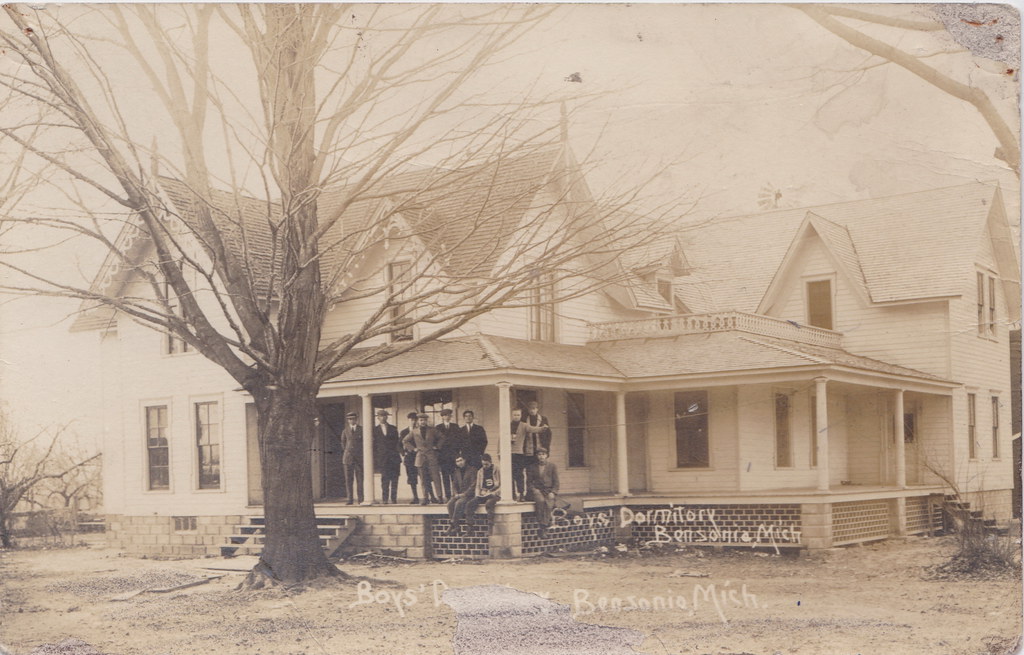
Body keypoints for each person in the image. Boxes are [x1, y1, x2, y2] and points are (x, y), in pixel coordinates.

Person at [402, 412, 443, 505]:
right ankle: (425, 498)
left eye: (424, 420)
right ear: (418, 421)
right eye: (421, 420)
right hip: (420, 457)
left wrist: (437, 446)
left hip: (431, 456)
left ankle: (439, 497)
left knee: (436, 477)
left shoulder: (432, 430)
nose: (423, 422)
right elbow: (405, 441)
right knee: (423, 479)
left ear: (426, 421)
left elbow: (442, 437)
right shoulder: (414, 431)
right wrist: (413, 449)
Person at [372, 409, 402, 504]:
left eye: (384, 416)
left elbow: (397, 442)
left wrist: (399, 453)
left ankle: (394, 499)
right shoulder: (374, 430)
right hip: (382, 458)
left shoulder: (393, 428)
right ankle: (385, 499)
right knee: (384, 479)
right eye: (381, 416)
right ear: (378, 418)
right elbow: (374, 445)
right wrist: (376, 458)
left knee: (394, 479)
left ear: (387, 417)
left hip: (394, 458)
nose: (383, 417)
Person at [526, 448, 559, 532]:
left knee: (549, 502)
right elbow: (529, 482)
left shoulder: (552, 466)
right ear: (537, 456)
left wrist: (553, 492)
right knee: (540, 501)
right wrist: (534, 490)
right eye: (539, 454)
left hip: (548, 490)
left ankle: (543, 525)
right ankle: (543, 525)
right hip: (537, 490)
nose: (541, 456)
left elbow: (556, 481)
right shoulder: (532, 467)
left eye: (543, 454)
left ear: (547, 455)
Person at [466, 453, 500, 531]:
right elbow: (478, 486)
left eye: (486, 464)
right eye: (483, 464)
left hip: (494, 493)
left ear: (490, 462)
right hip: (483, 494)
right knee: (470, 504)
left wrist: (494, 492)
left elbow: (502, 485)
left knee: (489, 503)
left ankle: (490, 526)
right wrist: (477, 495)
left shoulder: (496, 469)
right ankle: (469, 527)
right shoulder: (480, 472)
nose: (485, 466)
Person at [445, 455, 477, 535]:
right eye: (457, 461)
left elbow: (474, 485)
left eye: (461, 460)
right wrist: (456, 493)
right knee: (450, 503)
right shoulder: (457, 472)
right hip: (459, 495)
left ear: (465, 460)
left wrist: (465, 494)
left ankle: (452, 524)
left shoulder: (472, 470)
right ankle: (456, 527)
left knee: (458, 503)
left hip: (469, 495)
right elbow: (454, 484)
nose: (459, 463)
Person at [435, 408, 461, 501]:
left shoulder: (455, 426)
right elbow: (436, 442)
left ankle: (456, 494)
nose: (447, 417)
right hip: (443, 457)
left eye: (448, 415)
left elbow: (459, 440)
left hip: (454, 456)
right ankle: (448, 495)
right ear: (442, 417)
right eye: (445, 415)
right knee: (445, 476)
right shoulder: (438, 428)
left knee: (455, 477)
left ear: (451, 416)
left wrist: (458, 453)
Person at [339, 411, 364, 505]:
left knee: (360, 479)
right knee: (348, 479)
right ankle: (350, 499)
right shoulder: (345, 431)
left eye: (353, 419)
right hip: (348, 458)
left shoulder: (362, 430)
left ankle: (361, 499)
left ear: (356, 419)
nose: (351, 421)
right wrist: (348, 452)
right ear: (347, 420)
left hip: (359, 458)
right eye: (349, 419)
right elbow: (343, 444)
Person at [399, 411, 420, 504]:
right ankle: (415, 497)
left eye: (415, 420)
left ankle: (430, 496)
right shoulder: (404, 432)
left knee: (425, 477)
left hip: (420, 456)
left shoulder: (420, 430)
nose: (413, 422)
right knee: (412, 478)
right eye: (411, 420)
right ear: (408, 420)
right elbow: (399, 445)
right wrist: (404, 453)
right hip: (410, 457)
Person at [509, 408, 529, 501]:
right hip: (509, 454)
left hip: (519, 454)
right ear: (512, 415)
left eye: (518, 415)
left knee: (519, 475)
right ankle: (512, 494)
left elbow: (533, 429)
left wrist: (542, 428)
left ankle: (521, 494)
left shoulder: (523, 425)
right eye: (514, 415)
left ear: (520, 416)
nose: (516, 416)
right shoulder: (507, 425)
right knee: (510, 475)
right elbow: (500, 439)